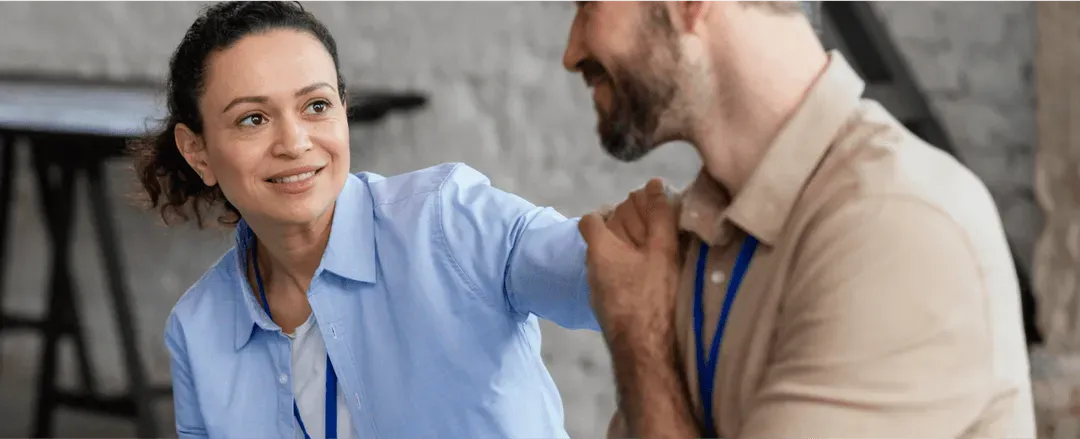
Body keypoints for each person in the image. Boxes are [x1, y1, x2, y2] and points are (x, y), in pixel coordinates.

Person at [562, 0, 1038, 438]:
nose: (571, 53)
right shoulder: (695, 238)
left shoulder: (898, 227)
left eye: (588, 5)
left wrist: (640, 334)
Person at [131, 1, 597, 438]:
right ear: (198, 152)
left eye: (316, 106)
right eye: (253, 119)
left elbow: (599, 270)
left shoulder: (449, 222)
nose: (294, 143)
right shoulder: (196, 330)